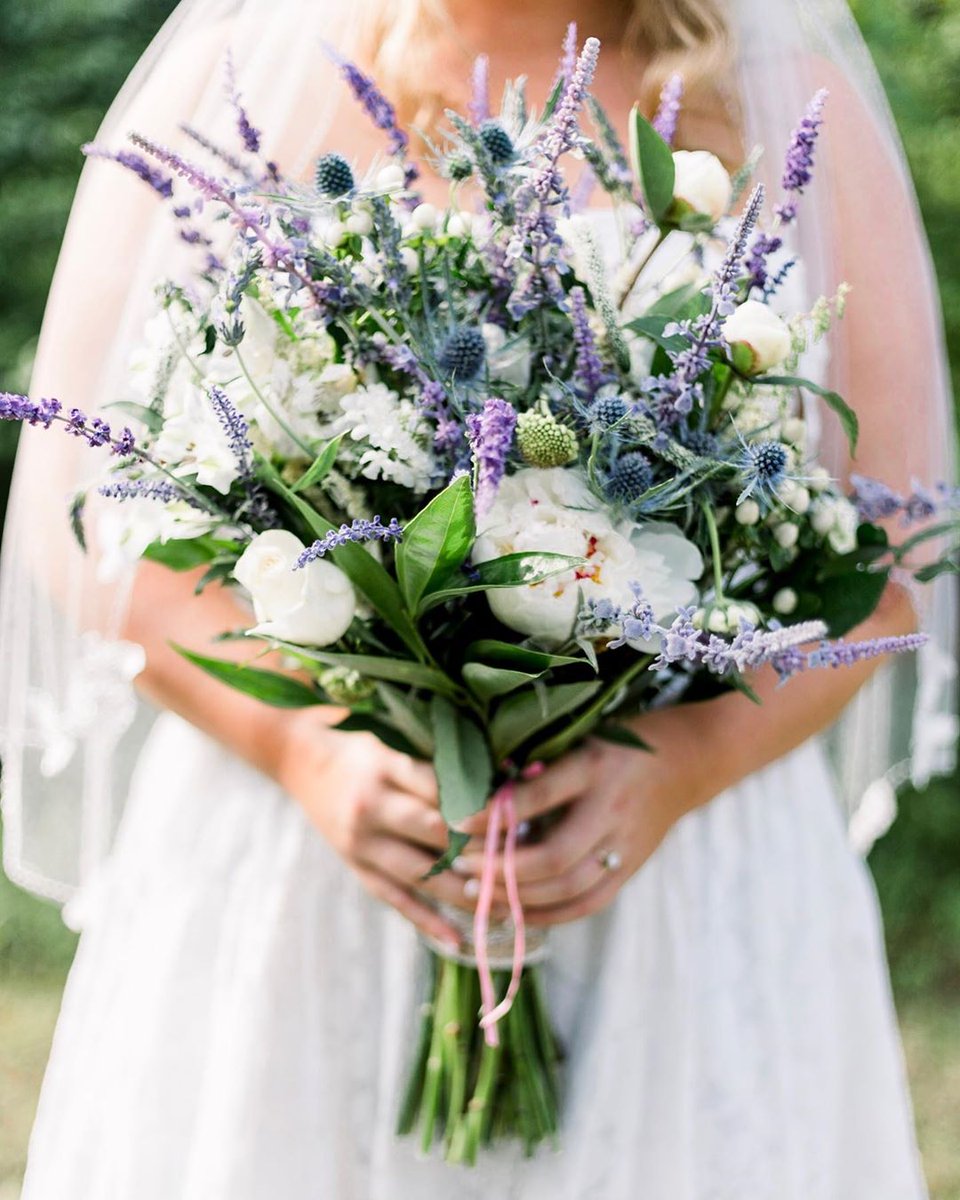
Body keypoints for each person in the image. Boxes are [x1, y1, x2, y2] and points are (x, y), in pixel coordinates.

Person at [1, 0, 955, 1196]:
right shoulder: (235, 77)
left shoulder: (794, 103)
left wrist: (685, 766)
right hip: (314, 853)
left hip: (682, 875)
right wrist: (304, 748)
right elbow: (82, 523)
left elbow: (890, 553)